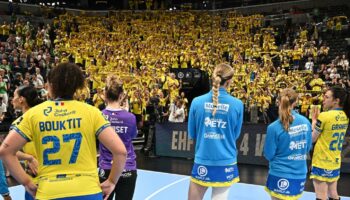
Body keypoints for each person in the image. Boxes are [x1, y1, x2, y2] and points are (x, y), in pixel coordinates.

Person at [0, 63, 127, 200]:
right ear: (77, 86)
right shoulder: (91, 112)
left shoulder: (33, 114)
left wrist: (27, 182)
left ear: (51, 85)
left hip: (49, 191)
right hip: (87, 190)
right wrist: (112, 181)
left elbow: (6, 151)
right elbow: (120, 151)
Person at [187, 63, 243, 200]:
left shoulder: (196, 102)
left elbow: (192, 133)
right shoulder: (237, 104)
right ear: (229, 81)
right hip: (226, 161)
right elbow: (235, 135)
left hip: (203, 158)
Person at [264, 88, 312, 200]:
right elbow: (307, 147)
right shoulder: (306, 122)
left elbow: (269, 154)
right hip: (299, 174)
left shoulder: (273, 127)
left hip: (279, 173)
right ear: (296, 102)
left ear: (278, 102)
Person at [99, 76, 138, 200]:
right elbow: (132, 136)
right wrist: (125, 113)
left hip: (106, 168)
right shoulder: (130, 117)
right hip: (127, 168)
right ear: (121, 95)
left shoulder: (99, 116)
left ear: (105, 95)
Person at [311, 86, 350, 200]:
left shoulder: (324, 116)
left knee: (321, 196)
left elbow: (313, 138)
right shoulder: (345, 116)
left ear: (336, 101)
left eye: (326, 97)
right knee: (333, 194)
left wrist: (313, 121)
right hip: (335, 161)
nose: (323, 99)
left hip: (322, 161)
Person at [11, 85, 42, 200]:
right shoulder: (44, 118)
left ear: (21, 99)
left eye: (14, 96)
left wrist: (29, 158)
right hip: (54, 177)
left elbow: (7, 151)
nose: (12, 99)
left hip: (34, 180)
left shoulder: (20, 123)